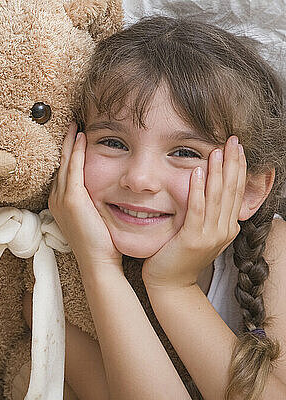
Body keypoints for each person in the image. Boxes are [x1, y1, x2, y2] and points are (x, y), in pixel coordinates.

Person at [46, 16, 286, 400]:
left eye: (185, 152)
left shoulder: (273, 248)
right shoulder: (46, 274)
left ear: (250, 189)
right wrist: (100, 269)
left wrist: (174, 287)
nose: (139, 179)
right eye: (113, 142)